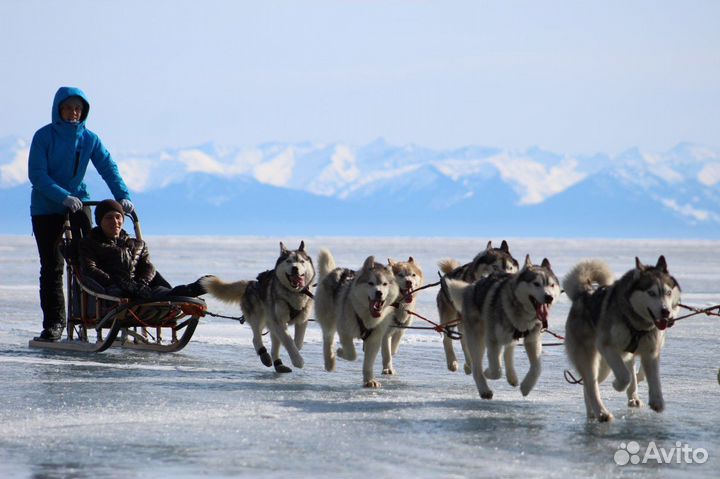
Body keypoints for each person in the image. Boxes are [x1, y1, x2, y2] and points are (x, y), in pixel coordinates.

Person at [29, 87, 134, 341]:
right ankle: (54, 323)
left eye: (78, 108)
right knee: (53, 266)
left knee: (90, 262)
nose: (73, 113)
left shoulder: (89, 139)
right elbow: (37, 174)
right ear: (58, 110)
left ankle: (96, 315)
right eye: (68, 108)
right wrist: (61, 196)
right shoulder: (44, 136)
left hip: (79, 205)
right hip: (47, 208)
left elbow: (108, 167)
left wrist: (123, 196)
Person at [79, 199, 210, 300]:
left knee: (161, 293)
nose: (115, 221)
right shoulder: (89, 243)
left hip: (139, 287)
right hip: (110, 290)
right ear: (99, 221)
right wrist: (120, 283)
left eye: (118, 217)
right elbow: (90, 269)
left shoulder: (137, 244)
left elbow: (148, 267)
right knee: (129, 294)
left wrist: (141, 282)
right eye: (109, 217)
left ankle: (191, 290)